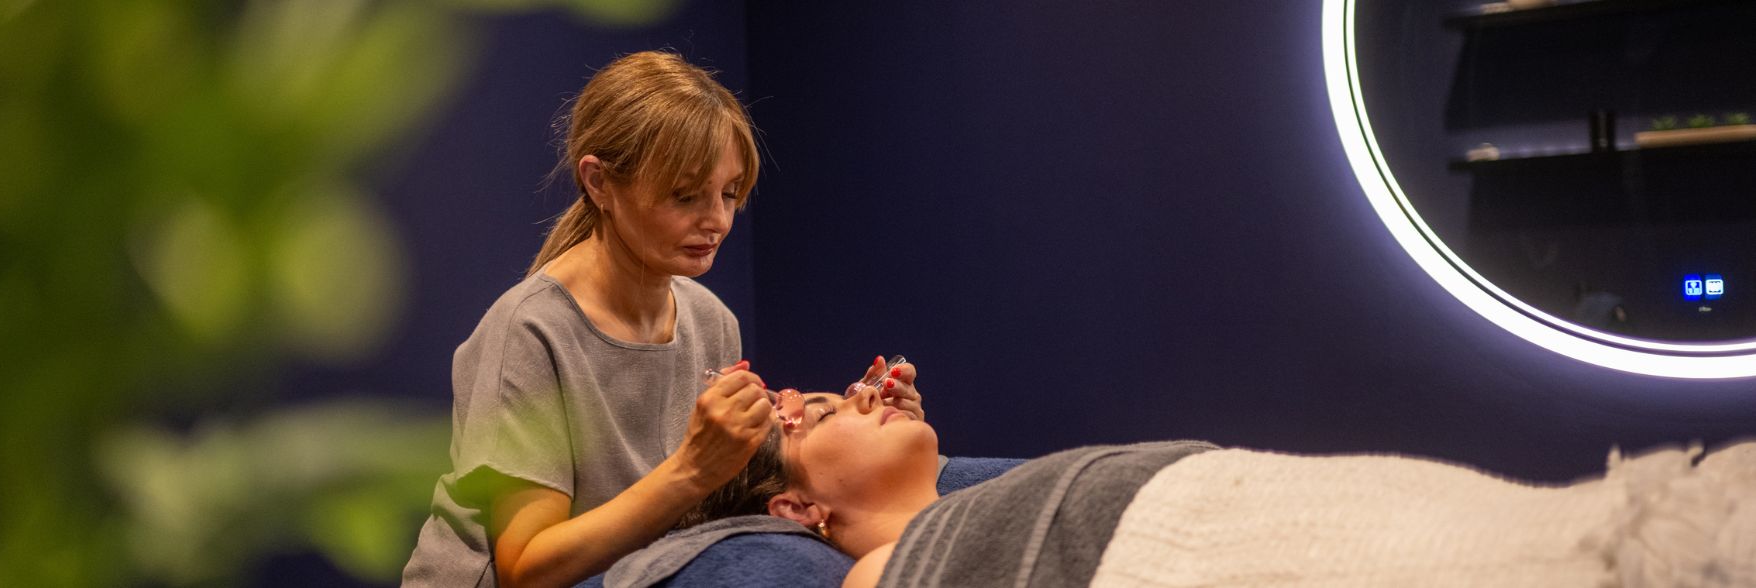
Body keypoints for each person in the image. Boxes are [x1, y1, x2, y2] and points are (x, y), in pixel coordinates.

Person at [400, 50, 926, 587]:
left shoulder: (711, 320)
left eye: (729, 193)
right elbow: (528, 569)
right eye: (685, 196)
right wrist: (692, 470)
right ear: (599, 183)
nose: (717, 220)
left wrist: (860, 433)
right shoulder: (531, 333)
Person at [664, 385, 1756, 588]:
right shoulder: (881, 577)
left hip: (1223, 492)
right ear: (797, 511)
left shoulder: (975, 499)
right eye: (823, 414)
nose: (865, 391)